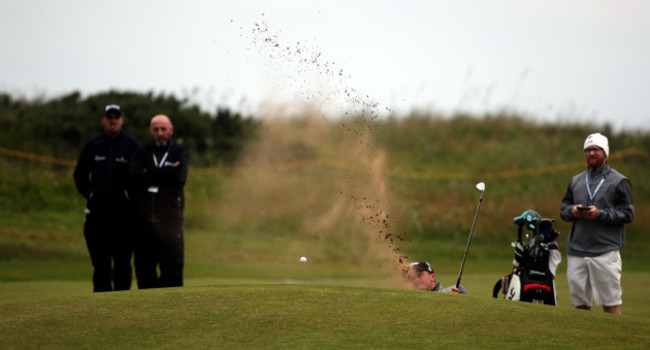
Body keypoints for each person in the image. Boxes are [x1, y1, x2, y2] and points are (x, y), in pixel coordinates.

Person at [560, 133, 634, 314]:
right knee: (579, 306)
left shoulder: (619, 181)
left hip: (605, 251)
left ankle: (616, 340)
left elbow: (627, 213)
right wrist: (573, 211)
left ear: (605, 153)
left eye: (596, 149)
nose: (591, 153)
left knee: (610, 304)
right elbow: (563, 209)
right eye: (588, 150)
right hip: (577, 250)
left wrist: (600, 214)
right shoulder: (576, 181)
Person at [73, 104, 139, 292]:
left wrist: (129, 196)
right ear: (103, 120)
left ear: (122, 120)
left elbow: (139, 178)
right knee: (101, 266)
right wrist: (91, 194)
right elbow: (80, 175)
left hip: (124, 217)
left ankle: (123, 308)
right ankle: (101, 311)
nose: (112, 120)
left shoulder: (131, 146)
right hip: (98, 215)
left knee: (122, 265)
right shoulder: (93, 145)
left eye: (116, 117)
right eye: (109, 117)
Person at [131, 114, 189, 288]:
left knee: (172, 272)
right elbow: (135, 177)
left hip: (170, 221)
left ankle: (172, 312)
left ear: (171, 130)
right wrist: (166, 170)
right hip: (144, 223)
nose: (160, 133)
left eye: (163, 129)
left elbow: (179, 178)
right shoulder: (142, 151)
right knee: (144, 271)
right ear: (150, 131)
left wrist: (149, 171)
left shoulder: (180, 151)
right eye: (156, 129)